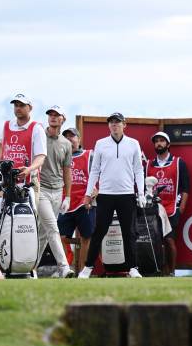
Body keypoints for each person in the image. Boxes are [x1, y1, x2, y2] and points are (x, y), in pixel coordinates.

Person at [77, 112, 146, 278]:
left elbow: (138, 169)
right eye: (111, 122)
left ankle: (133, 268)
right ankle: (87, 268)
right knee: (99, 231)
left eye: (117, 122)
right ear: (108, 125)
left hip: (127, 194)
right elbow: (94, 170)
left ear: (124, 125)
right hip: (106, 194)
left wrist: (142, 193)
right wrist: (88, 193)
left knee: (128, 232)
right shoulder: (100, 144)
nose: (114, 125)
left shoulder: (133, 144)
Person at [0, 93, 46, 254]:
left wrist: (29, 169)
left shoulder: (36, 128)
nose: (18, 108)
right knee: (0, 221)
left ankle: (28, 263)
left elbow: (41, 157)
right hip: (9, 184)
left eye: (21, 105)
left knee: (28, 224)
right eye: (16, 105)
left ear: (30, 108)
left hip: (29, 184)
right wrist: (1, 160)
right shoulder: (7, 125)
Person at [35, 105, 74, 278]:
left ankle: (31, 269)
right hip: (41, 189)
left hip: (57, 192)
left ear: (62, 119)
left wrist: (68, 196)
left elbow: (67, 171)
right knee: (52, 228)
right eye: (50, 114)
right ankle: (64, 267)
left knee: (44, 234)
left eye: (56, 115)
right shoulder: (39, 137)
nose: (52, 117)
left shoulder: (66, 144)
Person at [146, 131, 189, 276]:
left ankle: (171, 272)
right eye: (156, 141)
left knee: (169, 240)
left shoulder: (178, 163)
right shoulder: (148, 165)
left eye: (162, 141)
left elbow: (185, 188)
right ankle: (159, 272)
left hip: (171, 208)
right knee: (155, 241)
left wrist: (181, 208)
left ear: (168, 144)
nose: (158, 143)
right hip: (153, 209)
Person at [58, 127, 97, 270]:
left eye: (72, 136)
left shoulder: (89, 155)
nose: (69, 139)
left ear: (79, 139)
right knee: (60, 237)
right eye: (66, 137)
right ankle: (66, 267)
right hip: (65, 202)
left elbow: (100, 176)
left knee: (86, 238)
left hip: (84, 203)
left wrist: (95, 191)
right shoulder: (60, 157)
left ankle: (82, 272)